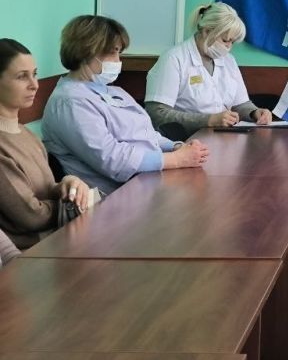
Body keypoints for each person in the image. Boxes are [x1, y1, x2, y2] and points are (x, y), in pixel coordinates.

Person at [43, 15, 210, 194]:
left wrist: (176, 146)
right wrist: (176, 159)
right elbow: (112, 159)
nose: (118, 60)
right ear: (86, 51)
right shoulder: (70, 102)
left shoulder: (111, 90)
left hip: (147, 183)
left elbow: (146, 134)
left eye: (119, 52)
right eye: (112, 52)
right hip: (112, 198)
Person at [0, 39, 93, 248]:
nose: (34, 84)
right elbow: (31, 216)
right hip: (31, 254)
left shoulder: (26, 133)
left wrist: (67, 184)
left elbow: (45, 189)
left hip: (59, 240)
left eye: (34, 74)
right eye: (21, 76)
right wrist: (73, 203)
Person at [144, 2, 272, 138]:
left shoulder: (229, 60)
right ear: (206, 31)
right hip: (185, 142)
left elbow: (240, 104)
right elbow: (157, 114)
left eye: (232, 42)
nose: (229, 47)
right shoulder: (174, 59)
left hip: (224, 139)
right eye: (225, 40)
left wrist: (255, 113)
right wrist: (208, 120)